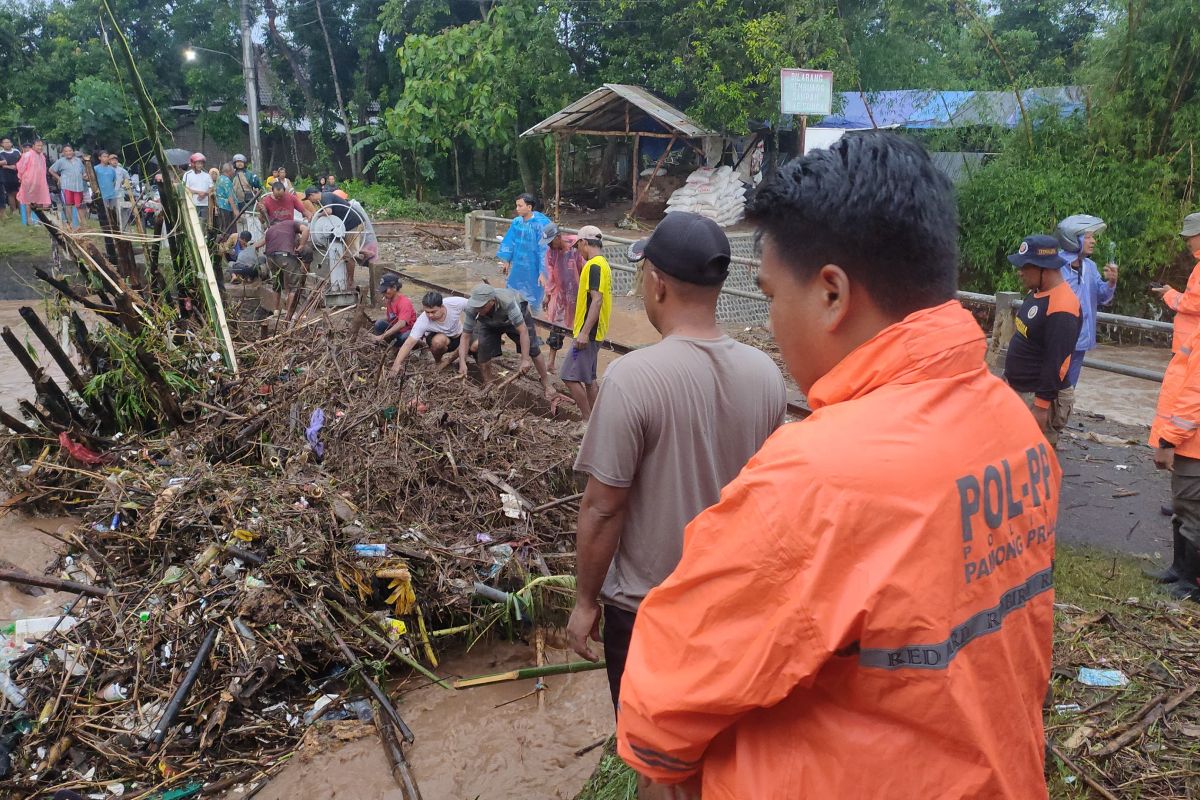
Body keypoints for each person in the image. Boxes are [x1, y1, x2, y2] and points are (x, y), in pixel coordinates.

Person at [615, 133, 1059, 799]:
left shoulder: (819, 479)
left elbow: (664, 705)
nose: (770, 317)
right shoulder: (1010, 425)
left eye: (769, 294)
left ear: (831, 294)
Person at [566, 210, 786, 721]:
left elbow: (603, 509)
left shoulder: (631, 379)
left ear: (657, 283)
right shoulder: (765, 375)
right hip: (734, 609)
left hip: (650, 615)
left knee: (654, 762)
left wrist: (584, 602)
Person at [1147, 212, 1200, 599]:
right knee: (1183, 505)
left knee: (1191, 509)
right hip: (1187, 439)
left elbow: (1194, 398)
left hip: (1191, 442)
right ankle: (1180, 569)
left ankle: (1191, 581)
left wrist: (1168, 438)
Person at [1003, 235, 1083, 447]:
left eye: (1025, 266)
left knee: (1034, 465)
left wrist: (1041, 407)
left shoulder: (1063, 307)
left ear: (1044, 269)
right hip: (1020, 391)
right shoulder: (1037, 292)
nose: (1020, 272)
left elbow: (1056, 362)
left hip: (1038, 397)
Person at [459, 283, 555, 398]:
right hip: (489, 323)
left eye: (482, 307)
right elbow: (465, 336)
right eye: (477, 307)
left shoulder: (508, 302)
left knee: (533, 349)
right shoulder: (472, 308)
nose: (478, 310)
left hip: (514, 319)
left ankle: (545, 381)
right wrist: (462, 362)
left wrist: (525, 359)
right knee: (483, 350)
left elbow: (523, 331)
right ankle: (489, 385)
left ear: (492, 301)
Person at [1056, 214, 1119, 385]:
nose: (1093, 241)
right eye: (1088, 237)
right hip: (1059, 338)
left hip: (1081, 339)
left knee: (1069, 388)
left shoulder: (1089, 266)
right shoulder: (1056, 266)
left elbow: (1101, 297)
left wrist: (1111, 282)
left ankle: (1064, 412)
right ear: (1073, 238)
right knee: (1052, 385)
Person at [559, 225, 611, 421]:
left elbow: (596, 300)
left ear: (584, 243)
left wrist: (583, 332)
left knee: (567, 376)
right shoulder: (603, 264)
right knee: (589, 380)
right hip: (595, 332)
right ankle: (598, 421)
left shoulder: (594, 266)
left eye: (577, 246)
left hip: (588, 333)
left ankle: (587, 421)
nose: (577, 251)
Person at [388, 291, 469, 376]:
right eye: (427, 312)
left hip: (458, 336)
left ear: (442, 306)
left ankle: (450, 361)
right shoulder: (423, 321)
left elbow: (473, 306)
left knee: (470, 338)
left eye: (433, 312)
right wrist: (396, 364)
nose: (430, 315)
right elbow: (409, 343)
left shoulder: (454, 303)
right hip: (440, 338)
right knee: (438, 341)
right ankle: (438, 362)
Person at [1152, 212, 1200, 354]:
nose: (1187, 243)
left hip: (1192, 347)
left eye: (1189, 237)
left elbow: (1194, 304)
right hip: (1190, 344)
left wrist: (1169, 294)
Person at [496, 193, 551, 312]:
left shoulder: (541, 224)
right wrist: (506, 260)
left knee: (535, 298)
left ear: (529, 207)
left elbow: (544, 250)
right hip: (519, 266)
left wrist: (543, 272)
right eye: (517, 206)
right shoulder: (516, 222)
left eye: (520, 206)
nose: (517, 209)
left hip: (534, 267)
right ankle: (517, 320)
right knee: (514, 294)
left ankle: (535, 322)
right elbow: (510, 241)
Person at [541, 222, 584, 369]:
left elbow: (585, 269)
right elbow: (551, 274)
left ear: (558, 237)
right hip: (560, 294)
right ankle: (551, 362)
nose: (549, 245)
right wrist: (547, 294)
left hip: (578, 294)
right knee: (556, 327)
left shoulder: (576, 246)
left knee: (578, 330)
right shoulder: (551, 252)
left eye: (551, 242)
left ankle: (575, 362)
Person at [262, 218, 310, 319]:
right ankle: (290, 314)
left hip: (270, 257)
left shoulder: (270, 230)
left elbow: (265, 244)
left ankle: (276, 311)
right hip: (285, 254)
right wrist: (301, 245)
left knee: (277, 283)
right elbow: (306, 230)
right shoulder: (291, 223)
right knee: (294, 286)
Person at [371, 274, 417, 347]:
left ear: (394, 288)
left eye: (385, 291)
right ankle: (381, 345)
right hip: (398, 330)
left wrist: (382, 336)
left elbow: (401, 324)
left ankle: (401, 348)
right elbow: (391, 318)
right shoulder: (390, 300)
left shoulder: (404, 302)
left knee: (403, 338)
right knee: (379, 323)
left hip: (407, 331)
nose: (384, 294)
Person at [49, 145, 87, 229]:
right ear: (63, 153)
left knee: (79, 205)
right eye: (66, 151)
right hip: (67, 187)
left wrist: (85, 176)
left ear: (72, 151)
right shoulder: (60, 161)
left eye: (70, 151)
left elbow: (83, 172)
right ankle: (70, 224)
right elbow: (51, 170)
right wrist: (59, 178)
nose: (68, 153)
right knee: (68, 205)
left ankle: (83, 225)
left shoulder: (78, 161)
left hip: (78, 187)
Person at [16, 140, 50, 225]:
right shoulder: (27, 155)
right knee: (29, 202)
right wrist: (21, 178)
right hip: (29, 182)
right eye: (38, 146)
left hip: (40, 183)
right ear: (33, 146)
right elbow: (20, 167)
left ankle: (40, 220)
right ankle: (29, 220)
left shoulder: (42, 156)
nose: (40, 147)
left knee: (40, 200)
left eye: (41, 146)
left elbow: (43, 169)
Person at [182, 152, 214, 227]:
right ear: (193, 164)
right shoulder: (187, 174)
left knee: (203, 222)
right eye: (198, 163)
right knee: (193, 222)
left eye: (201, 163)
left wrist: (204, 194)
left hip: (205, 204)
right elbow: (185, 187)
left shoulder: (207, 175)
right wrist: (198, 192)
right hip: (192, 203)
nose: (200, 165)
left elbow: (211, 188)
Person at [93, 152, 121, 231]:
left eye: (107, 156)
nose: (106, 158)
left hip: (112, 194)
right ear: (100, 158)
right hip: (102, 194)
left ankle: (115, 228)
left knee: (113, 212)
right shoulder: (96, 168)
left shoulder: (112, 169)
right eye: (104, 156)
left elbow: (114, 181)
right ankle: (106, 229)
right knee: (104, 213)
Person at [215, 163, 238, 234]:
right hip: (226, 207)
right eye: (232, 170)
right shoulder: (226, 181)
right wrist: (235, 210)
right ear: (229, 171)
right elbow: (230, 196)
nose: (234, 171)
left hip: (221, 206)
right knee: (229, 228)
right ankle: (228, 243)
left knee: (223, 227)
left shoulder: (219, 178)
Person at [0, 137, 20, 221]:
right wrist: (10, 167)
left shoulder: (16, 151)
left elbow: (21, 161)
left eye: (8, 142)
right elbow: (3, 165)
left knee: (19, 193)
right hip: (6, 176)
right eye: (5, 142)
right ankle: (14, 210)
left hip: (18, 175)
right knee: (10, 194)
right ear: (2, 144)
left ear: (11, 143)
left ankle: (20, 210)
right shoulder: (1, 153)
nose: (7, 144)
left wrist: (17, 166)